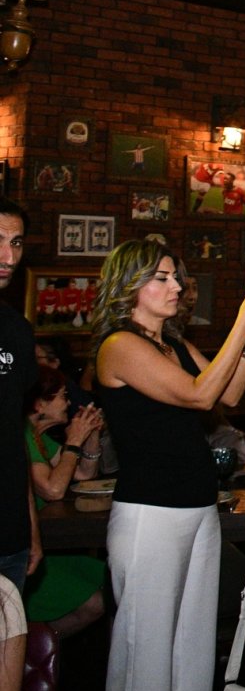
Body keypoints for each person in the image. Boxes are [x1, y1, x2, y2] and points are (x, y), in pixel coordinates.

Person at [92, 239, 245, 691]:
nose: (175, 285)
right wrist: (243, 316)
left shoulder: (173, 344)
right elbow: (201, 396)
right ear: (129, 287)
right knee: (148, 650)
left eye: (175, 276)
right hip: (150, 515)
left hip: (197, 509)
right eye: (161, 277)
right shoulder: (120, 346)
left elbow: (232, 394)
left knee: (191, 645)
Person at [22, 368, 108, 637]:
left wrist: (90, 435)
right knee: (94, 602)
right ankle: (33, 652)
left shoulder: (38, 436)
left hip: (48, 541)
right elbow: (54, 489)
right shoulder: (21, 434)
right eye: (62, 396)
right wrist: (73, 440)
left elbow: (83, 473)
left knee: (110, 580)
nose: (69, 402)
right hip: (28, 547)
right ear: (39, 404)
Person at [0, 200, 40, 599]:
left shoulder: (17, 331)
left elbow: (15, 436)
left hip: (9, 533)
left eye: (16, 242)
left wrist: (30, 524)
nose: (8, 257)